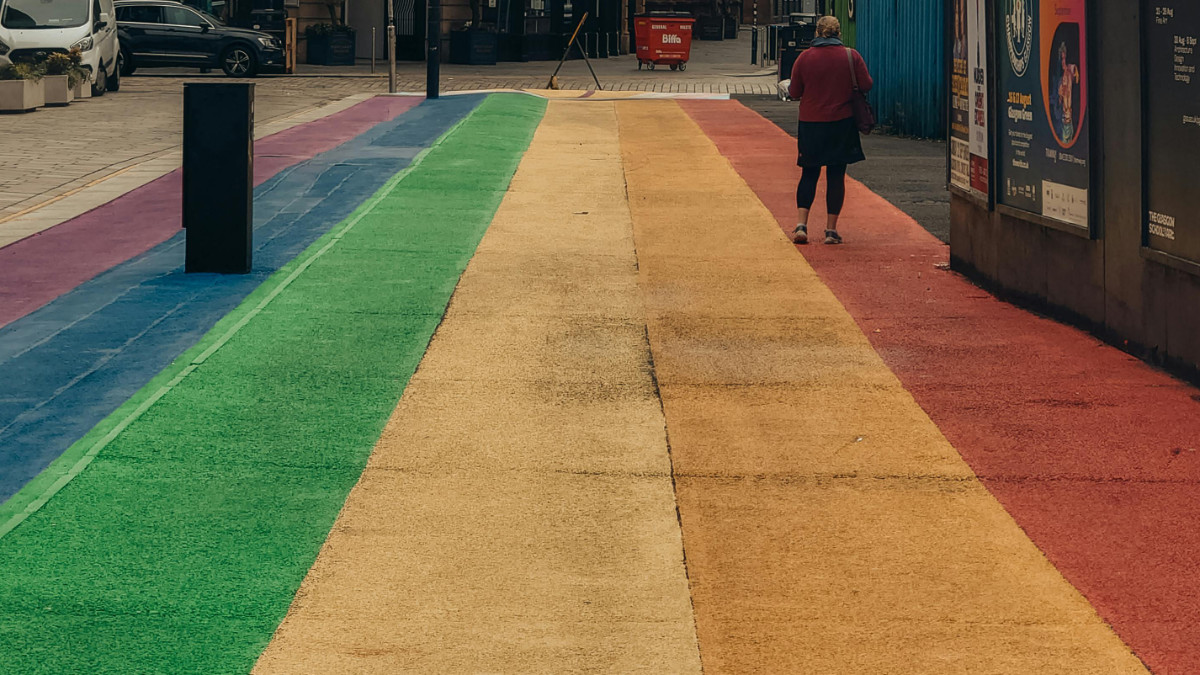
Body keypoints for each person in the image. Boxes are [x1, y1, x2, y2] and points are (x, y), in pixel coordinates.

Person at [787, 16, 873, 245]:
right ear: (838, 33)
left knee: (809, 173)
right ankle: (830, 231)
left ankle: (801, 226)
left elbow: (794, 91)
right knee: (836, 175)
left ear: (817, 32)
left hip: (811, 123)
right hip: (841, 123)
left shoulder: (804, 58)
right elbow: (866, 84)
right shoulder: (850, 56)